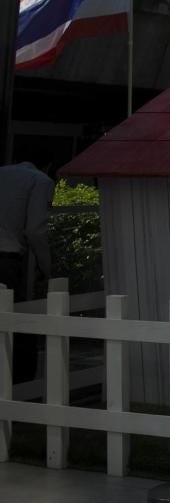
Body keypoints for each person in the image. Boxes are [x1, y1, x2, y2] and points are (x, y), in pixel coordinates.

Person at [0, 161, 55, 384]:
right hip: (6, 260)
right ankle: (22, 386)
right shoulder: (41, 181)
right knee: (20, 323)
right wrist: (47, 267)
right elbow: (34, 230)